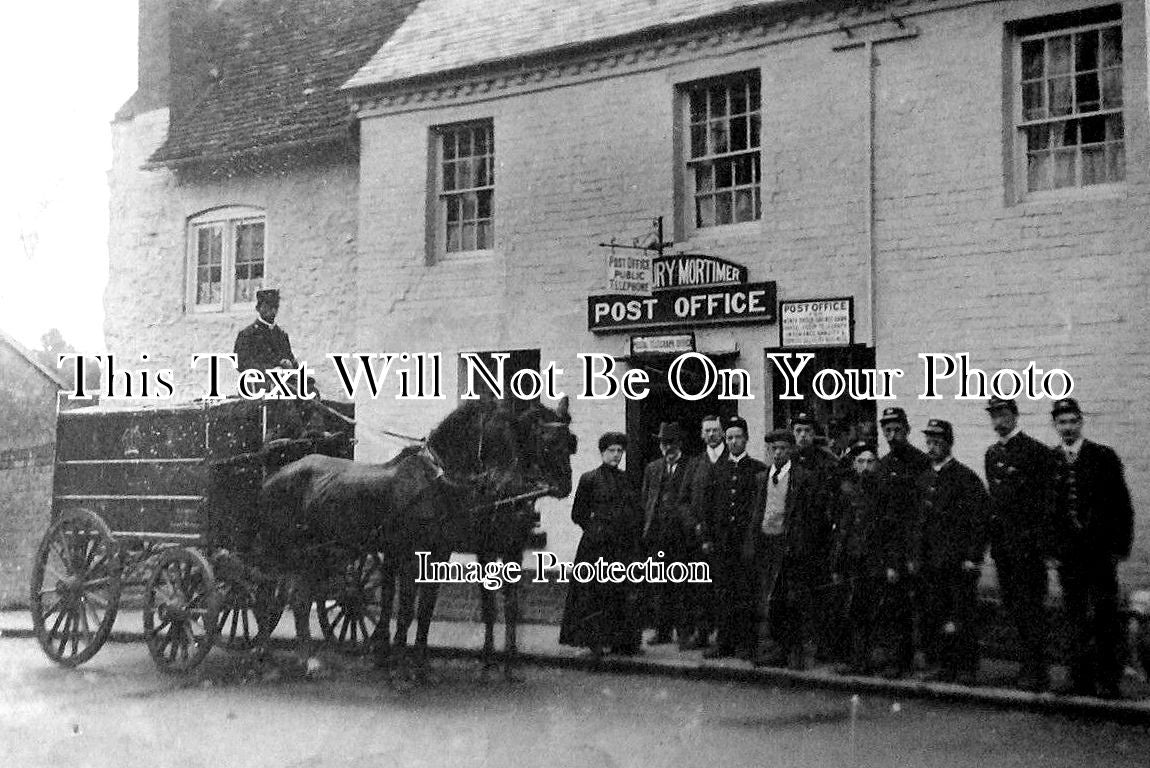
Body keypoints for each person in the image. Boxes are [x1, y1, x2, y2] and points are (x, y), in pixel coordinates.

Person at [1049, 398, 1135, 698]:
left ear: (1081, 422)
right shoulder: (1051, 460)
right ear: (1055, 426)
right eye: (1062, 422)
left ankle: (1108, 680)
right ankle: (1079, 679)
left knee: (1104, 616)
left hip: (1099, 553)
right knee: (1074, 617)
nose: (1068, 427)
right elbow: (1047, 510)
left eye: (1073, 421)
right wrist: (1052, 549)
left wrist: (1119, 547)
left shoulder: (1102, 456)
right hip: (1069, 556)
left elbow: (1121, 504)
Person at [984, 396, 1058, 692]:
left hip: (1028, 548)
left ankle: (1036, 670)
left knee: (1032, 609)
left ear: (1014, 416)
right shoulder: (992, 453)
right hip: (1004, 548)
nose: (997, 421)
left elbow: (1046, 503)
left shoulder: (1035, 451)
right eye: (993, 416)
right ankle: (1026, 666)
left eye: (1002, 415)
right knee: (1014, 607)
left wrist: (1042, 544)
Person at [915, 419, 990, 685]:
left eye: (938, 442)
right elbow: (919, 522)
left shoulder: (965, 478)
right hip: (931, 562)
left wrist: (973, 556)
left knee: (961, 614)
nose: (932, 446)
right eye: (929, 441)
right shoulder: (923, 478)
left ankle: (966, 666)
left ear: (949, 443)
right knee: (936, 613)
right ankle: (943, 665)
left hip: (958, 562)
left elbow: (979, 520)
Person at [745, 429, 826, 669]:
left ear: (791, 450)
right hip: (767, 544)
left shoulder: (803, 477)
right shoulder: (762, 478)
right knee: (772, 600)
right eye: (774, 449)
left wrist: (802, 543)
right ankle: (777, 649)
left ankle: (796, 651)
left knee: (794, 600)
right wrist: (753, 542)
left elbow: (812, 514)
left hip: (791, 546)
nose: (778, 453)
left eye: (782, 448)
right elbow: (756, 512)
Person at [559, 432, 644, 657]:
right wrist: (596, 528)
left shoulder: (627, 479)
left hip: (622, 546)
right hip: (596, 547)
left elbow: (635, 510)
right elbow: (578, 513)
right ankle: (595, 641)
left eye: (619, 451)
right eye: (612, 451)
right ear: (602, 453)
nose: (616, 455)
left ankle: (621, 641)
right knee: (595, 594)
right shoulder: (589, 479)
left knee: (619, 592)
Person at [701, 416, 766, 660]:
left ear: (747, 439)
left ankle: (746, 643)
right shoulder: (717, 469)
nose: (734, 441)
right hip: (722, 542)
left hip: (746, 543)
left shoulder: (757, 469)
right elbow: (707, 506)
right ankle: (724, 642)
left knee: (746, 592)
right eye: (729, 437)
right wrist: (707, 537)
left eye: (738, 436)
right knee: (722, 592)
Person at [874, 406, 930, 677]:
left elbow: (922, 510)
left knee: (921, 604)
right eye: (887, 430)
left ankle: (925, 659)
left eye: (897, 429)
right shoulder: (882, 466)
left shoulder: (921, 463)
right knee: (893, 605)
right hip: (891, 547)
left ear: (907, 430)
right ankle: (898, 659)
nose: (892, 434)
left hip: (916, 545)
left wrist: (914, 553)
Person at [830, 440, 883, 674]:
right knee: (854, 609)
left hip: (876, 559)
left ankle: (873, 659)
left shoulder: (883, 492)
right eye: (861, 462)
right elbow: (843, 530)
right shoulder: (850, 493)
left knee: (875, 609)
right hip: (854, 558)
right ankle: (857, 659)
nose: (865, 466)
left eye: (871, 462)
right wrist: (838, 562)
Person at [641, 422, 693, 648]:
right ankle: (662, 631)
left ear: (680, 444)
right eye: (664, 443)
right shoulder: (652, 468)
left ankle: (683, 633)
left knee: (682, 585)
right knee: (660, 584)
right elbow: (646, 500)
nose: (668, 448)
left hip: (682, 536)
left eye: (672, 443)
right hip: (658, 535)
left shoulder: (691, 466)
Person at [679, 414, 728, 650]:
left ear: (722, 433)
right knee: (700, 588)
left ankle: (723, 637)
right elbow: (683, 501)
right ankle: (701, 633)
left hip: (724, 539)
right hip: (698, 538)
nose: (711, 435)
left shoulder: (731, 461)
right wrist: (694, 525)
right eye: (707, 431)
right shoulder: (695, 463)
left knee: (723, 588)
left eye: (715, 430)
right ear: (701, 434)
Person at [234, 288, 297, 375]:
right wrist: (271, 370)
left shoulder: (281, 335)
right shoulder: (248, 334)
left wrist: (290, 364)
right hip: (260, 382)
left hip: (284, 379)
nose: (272, 311)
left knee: (309, 386)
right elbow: (241, 364)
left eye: (275, 307)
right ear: (258, 308)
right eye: (268, 307)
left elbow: (291, 359)